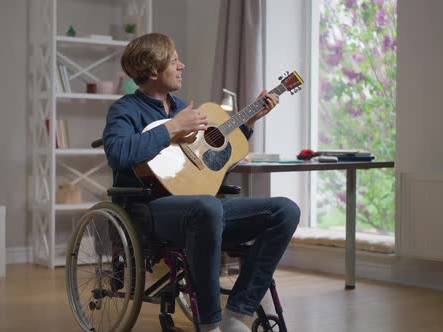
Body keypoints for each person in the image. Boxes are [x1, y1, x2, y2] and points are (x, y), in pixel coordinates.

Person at [102, 32, 300, 332]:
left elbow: (212, 156)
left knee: (285, 210)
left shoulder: (183, 106)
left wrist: (249, 121)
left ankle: (237, 313)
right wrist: (171, 128)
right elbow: (117, 153)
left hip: (201, 208)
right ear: (153, 71)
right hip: (148, 210)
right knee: (207, 207)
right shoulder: (125, 110)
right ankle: (209, 325)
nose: (181, 65)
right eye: (173, 61)